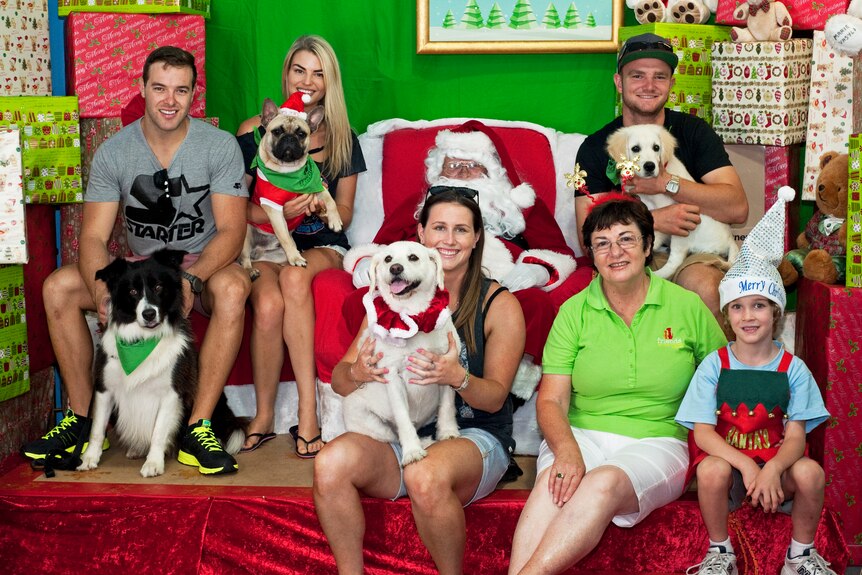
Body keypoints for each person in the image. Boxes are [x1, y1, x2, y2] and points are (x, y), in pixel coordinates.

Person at [22, 46, 250, 475]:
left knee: (235, 287)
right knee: (58, 287)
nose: (169, 100)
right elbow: (92, 235)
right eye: (159, 87)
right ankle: (82, 416)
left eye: (181, 90)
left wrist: (193, 279)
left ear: (193, 94)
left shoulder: (218, 147)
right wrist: (100, 288)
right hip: (140, 270)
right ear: (142, 88)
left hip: (201, 263)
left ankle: (197, 427)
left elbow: (232, 232)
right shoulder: (114, 152)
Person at [508, 194, 727, 575]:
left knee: (602, 484)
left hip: (659, 440)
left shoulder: (688, 307)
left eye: (626, 239)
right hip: (580, 434)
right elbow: (552, 401)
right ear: (591, 255)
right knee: (552, 488)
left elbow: (726, 378)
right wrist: (567, 452)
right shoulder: (573, 312)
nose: (615, 252)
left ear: (647, 246)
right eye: (602, 243)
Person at [313, 187, 526, 575]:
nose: (449, 239)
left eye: (461, 230)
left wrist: (457, 377)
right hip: (404, 436)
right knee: (330, 463)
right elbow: (342, 382)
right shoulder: (388, 304)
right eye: (439, 228)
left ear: (477, 237)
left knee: (423, 474)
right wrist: (359, 371)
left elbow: (495, 399)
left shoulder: (500, 305)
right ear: (422, 235)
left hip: (475, 435)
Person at [345, 120, 593, 400]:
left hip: (500, 290)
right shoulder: (421, 205)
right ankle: (398, 374)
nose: (462, 173)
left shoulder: (518, 204)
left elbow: (557, 250)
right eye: (453, 165)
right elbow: (382, 243)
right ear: (438, 169)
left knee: (536, 305)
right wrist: (367, 262)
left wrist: (538, 270)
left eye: (472, 164)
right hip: (423, 290)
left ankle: (512, 386)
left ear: (492, 170)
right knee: (362, 302)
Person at [676, 187, 834, 575]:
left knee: (811, 472)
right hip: (731, 471)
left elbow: (797, 436)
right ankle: (720, 552)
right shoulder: (715, 364)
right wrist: (747, 467)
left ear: (776, 311)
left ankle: (800, 555)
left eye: (759, 305)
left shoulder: (792, 368)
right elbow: (704, 434)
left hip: (777, 471)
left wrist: (772, 468)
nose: (749, 316)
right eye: (738, 307)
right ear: (727, 316)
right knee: (709, 468)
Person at [235, 35, 366, 456]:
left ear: (331, 82)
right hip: (264, 240)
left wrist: (313, 207)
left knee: (294, 280)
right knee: (269, 306)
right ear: (287, 73)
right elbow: (234, 209)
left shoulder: (343, 138)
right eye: (299, 70)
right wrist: (283, 209)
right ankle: (264, 415)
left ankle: (308, 413)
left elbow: (343, 213)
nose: (307, 80)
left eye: (318, 73)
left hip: (322, 245)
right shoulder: (253, 132)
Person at [575, 33, 748, 330]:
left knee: (706, 286)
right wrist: (652, 220)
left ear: (671, 84)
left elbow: (737, 209)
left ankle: (711, 374)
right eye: (637, 75)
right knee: (621, 291)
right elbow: (585, 235)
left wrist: (666, 184)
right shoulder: (595, 147)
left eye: (660, 77)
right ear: (619, 82)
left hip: (695, 249)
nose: (649, 86)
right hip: (629, 253)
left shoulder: (694, 132)